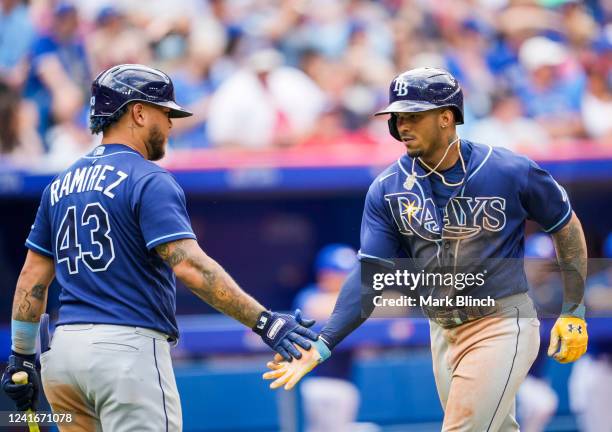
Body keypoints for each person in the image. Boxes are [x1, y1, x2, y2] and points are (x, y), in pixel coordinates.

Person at [264, 67, 589, 431]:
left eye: (414, 116)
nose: (402, 125)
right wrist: (324, 344)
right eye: (398, 116)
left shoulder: (508, 169)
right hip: (444, 330)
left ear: (447, 117)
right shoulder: (387, 188)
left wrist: (573, 309)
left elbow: (566, 226)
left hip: (501, 322)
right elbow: (371, 276)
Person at [0, 64, 318, 431]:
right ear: (137, 112)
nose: (170, 124)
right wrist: (266, 323)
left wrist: (21, 358)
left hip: (64, 355)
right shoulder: (148, 178)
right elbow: (191, 268)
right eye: (165, 112)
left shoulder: (60, 183)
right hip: (125, 353)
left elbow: (32, 278)